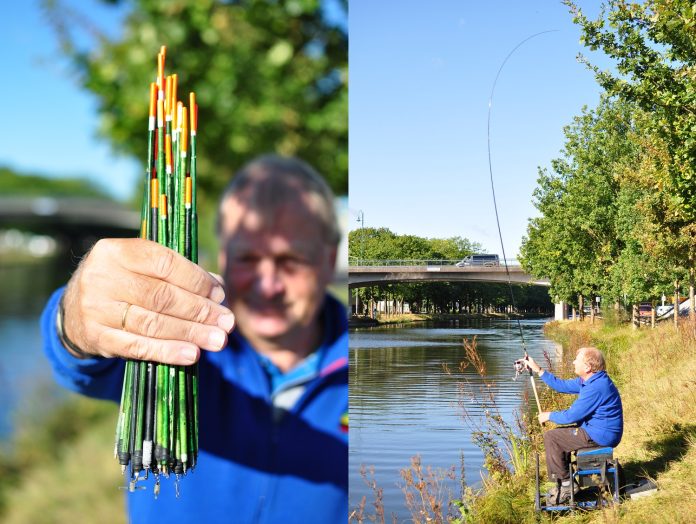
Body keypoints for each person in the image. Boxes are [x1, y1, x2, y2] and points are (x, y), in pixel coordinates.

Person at [40, 155, 348, 523]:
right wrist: (77, 315)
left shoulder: (378, 366)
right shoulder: (171, 326)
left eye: (291, 260)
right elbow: (79, 362)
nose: (269, 284)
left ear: (329, 260)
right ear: (223, 255)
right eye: (248, 257)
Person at [523, 347, 623, 504]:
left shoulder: (596, 387)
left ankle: (566, 485)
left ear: (588, 367)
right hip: (595, 430)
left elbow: (572, 416)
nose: (573, 362)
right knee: (557, 437)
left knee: (552, 437)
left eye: (577, 360)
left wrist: (548, 415)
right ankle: (564, 481)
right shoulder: (590, 380)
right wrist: (538, 370)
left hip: (601, 435)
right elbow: (561, 385)